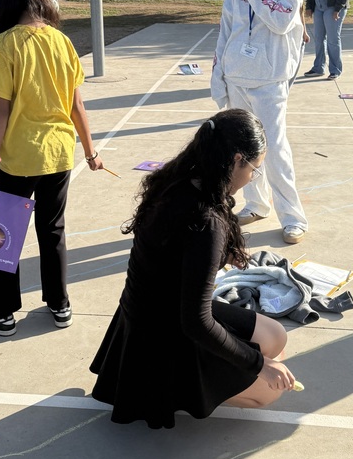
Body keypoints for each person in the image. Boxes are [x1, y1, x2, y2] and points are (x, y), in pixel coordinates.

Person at [90, 109, 297, 429]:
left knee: (276, 337)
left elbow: (176, 251)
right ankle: (178, 391)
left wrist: (222, 255)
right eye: (254, 170)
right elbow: (196, 323)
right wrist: (259, 366)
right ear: (237, 160)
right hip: (166, 332)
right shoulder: (207, 221)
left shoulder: (180, 179)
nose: (250, 179)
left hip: (160, 306)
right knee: (269, 393)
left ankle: (224, 375)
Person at [0, 0, 103, 337]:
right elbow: (77, 105)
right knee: (53, 228)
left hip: (21, 157)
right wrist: (90, 153)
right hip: (60, 152)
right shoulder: (61, 41)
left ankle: (1, 314)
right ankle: (60, 304)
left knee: (3, 231)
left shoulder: (6, 44)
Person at [211, 0, 308, 245]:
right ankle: (257, 203)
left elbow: (280, 20)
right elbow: (228, 27)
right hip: (238, 76)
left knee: (275, 149)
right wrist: (219, 73)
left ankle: (293, 217)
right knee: (242, 149)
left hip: (269, 80)